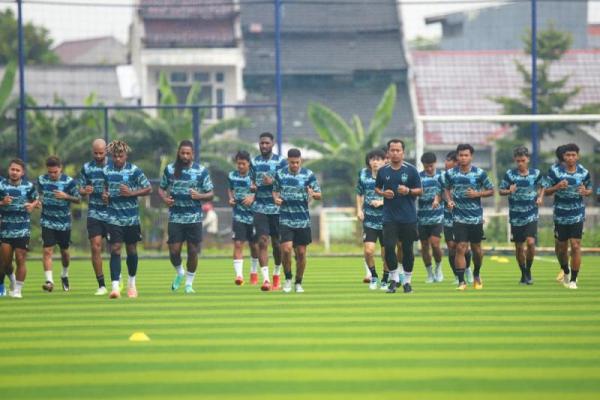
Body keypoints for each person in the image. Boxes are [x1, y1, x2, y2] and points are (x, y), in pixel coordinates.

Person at [159, 140, 213, 294]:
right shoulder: (170, 169)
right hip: (175, 217)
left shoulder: (201, 171)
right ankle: (180, 272)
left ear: (192, 154)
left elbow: (211, 193)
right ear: (178, 153)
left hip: (194, 218)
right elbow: (161, 189)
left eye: (188, 153)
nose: (185, 156)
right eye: (182, 153)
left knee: (193, 251)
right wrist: (165, 199)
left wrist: (200, 195)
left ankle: (189, 284)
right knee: (174, 251)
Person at [102, 140, 152, 299]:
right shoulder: (106, 171)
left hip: (131, 218)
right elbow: (105, 189)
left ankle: (132, 284)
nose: (117, 159)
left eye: (120, 156)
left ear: (126, 155)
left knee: (131, 250)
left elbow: (148, 188)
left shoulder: (134, 170)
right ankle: (115, 287)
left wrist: (131, 193)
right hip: (113, 217)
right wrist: (105, 196)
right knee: (115, 248)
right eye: (115, 156)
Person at [374, 139, 422, 294]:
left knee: (407, 250)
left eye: (398, 150)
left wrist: (408, 191)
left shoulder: (412, 170)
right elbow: (377, 188)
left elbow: (420, 191)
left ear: (403, 152)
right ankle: (394, 280)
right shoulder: (383, 171)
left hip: (408, 218)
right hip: (389, 217)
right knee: (388, 248)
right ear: (388, 152)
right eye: (392, 150)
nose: (395, 153)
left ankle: (407, 282)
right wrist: (383, 193)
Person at [444, 144, 494, 291]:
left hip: (476, 219)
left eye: (466, 155)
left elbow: (491, 190)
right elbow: (446, 189)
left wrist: (477, 194)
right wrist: (449, 200)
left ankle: (477, 273)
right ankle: (461, 281)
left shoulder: (479, 173)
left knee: (477, 249)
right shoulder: (451, 173)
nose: (463, 158)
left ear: (471, 156)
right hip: (459, 218)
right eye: (460, 155)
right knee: (460, 248)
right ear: (457, 156)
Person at [273, 148, 321, 293]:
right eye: (292, 162)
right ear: (288, 161)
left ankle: (298, 282)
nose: (294, 165)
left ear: (301, 161)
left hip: (302, 220)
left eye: (297, 162)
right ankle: (288, 278)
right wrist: (276, 198)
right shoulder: (280, 174)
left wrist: (314, 194)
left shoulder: (308, 175)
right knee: (286, 250)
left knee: (300, 253)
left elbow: (319, 194)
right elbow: (275, 190)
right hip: (285, 218)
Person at [544, 143, 592, 289]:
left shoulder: (583, 172)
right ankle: (565, 270)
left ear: (578, 156)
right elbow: (546, 191)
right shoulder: (554, 171)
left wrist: (586, 191)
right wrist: (557, 187)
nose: (571, 158)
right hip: (560, 214)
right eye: (568, 155)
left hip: (577, 213)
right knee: (561, 248)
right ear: (563, 157)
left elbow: (590, 189)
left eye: (573, 155)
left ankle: (573, 280)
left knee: (576, 245)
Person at [498, 146, 544, 285]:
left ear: (528, 159)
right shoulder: (510, 174)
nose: (520, 163)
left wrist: (540, 197)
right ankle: (523, 273)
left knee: (530, 243)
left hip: (531, 214)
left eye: (522, 160)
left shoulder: (536, 173)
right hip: (516, 216)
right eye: (518, 161)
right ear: (515, 160)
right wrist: (509, 191)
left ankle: (528, 270)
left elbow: (543, 186)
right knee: (519, 247)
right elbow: (501, 191)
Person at [37, 156, 81, 292]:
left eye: (55, 172)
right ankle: (49, 281)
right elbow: (38, 196)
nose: (52, 175)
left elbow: (79, 199)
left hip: (63, 224)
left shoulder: (69, 182)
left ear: (60, 168)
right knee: (47, 250)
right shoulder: (41, 180)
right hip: (47, 221)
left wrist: (66, 196)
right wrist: (37, 202)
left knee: (65, 253)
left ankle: (64, 275)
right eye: (50, 172)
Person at [251, 132, 287, 291]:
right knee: (262, 241)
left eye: (266, 143)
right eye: (261, 143)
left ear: (272, 144)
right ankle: (265, 280)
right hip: (260, 207)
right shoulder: (253, 162)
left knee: (277, 244)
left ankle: (277, 275)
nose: (264, 146)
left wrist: (272, 182)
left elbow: (287, 182)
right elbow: (249, 182)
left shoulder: (281, 161)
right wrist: (251, 188)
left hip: (277, 209)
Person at [0, 159, 39, 298]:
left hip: (23, 228)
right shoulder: (1, 185)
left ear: (22, 173)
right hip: (5, 229)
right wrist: (2, 202)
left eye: (17, 170)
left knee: (21, 258)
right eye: (12, 169)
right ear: (8, 170)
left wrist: (32, 205)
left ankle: (17, 290)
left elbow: (37, 200)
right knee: (6, 262)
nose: (14, 172)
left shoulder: (28, 186)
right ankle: (12, 280)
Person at [78, 139, 110, 295]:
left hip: (113, 213)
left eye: (101, 153)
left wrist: (110, 196)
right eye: (95, 153)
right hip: (94, 213)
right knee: (95, 246)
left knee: (115, 249)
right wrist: (85, 191)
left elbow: (123, 190)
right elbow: (80, 188)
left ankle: (117, 280)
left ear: (106, 151)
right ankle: (101, 285)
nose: (98, 156)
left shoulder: (114, 166)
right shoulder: (87, 168)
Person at [355, 149, 387, 290]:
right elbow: (359, 193)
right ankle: (373, 276)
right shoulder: (363, 175)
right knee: (369, 251)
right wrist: (359, 210)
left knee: (387, 253)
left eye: (379, 159)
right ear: (369, 162)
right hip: (369, 221)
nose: (375, 162)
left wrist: (382, 202)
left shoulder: (390, 176)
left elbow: (397, 197)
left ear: (384, 160)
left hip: (387, 220)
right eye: (373, 159)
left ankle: (386, 279)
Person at [441, 151, 473, 284]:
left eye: (449, 160)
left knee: (464, 247)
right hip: (449, 217)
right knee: (451, 246)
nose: (445, 163)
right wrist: (444, 200)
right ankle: (457, 275)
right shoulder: (443, 176)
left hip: (465, 217)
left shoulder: (467, 175)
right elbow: (441, 191)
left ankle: (468, 269)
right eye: (446, 160)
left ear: (456, 162)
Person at [227, 151, 255, 286]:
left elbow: (262, 191)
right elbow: (230, 189)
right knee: (238, 244)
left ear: (248, 163)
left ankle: (253, 273)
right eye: (238, 164)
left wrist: (252, 197)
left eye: (243, 164)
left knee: (254, 246)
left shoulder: (254, 176)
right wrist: (231, 198)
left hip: (255, 215)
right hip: (238, 215)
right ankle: (239, 276)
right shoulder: (232, 175)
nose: (240, 166)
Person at [417, 152, 444, 283]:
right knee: (424, 246)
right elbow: (414, 193)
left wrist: (438, 199)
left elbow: (447, 192)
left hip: (438, 217)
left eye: (431, 166)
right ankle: (429, 273)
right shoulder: (418, 177)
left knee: (435, 244)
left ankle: (438, 267)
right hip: (422, 218)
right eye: (426, 166)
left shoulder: (442, 176)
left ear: (435, 163)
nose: (429, 169)